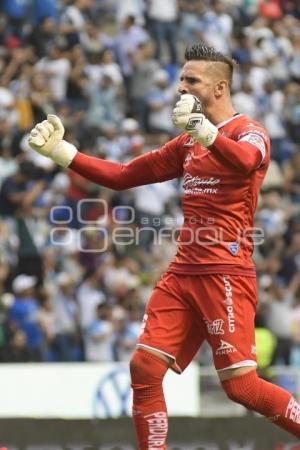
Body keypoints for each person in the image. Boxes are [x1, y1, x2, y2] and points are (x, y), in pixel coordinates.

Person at [28, 44, 300, 446]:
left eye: (191, 80)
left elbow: (246, 161)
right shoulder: (187, 142)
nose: (181, 86)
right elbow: (123, 175)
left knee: (241, 388)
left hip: (224, 272)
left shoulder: (249, 132)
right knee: (144, 367)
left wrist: (205, 132)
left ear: (219, 88)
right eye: (181, 78)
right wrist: (63, 153)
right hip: (182, 273)